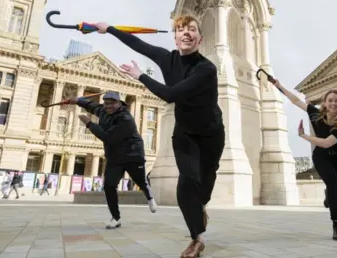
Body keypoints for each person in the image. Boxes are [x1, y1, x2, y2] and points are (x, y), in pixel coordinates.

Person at [92, 14, 225, 257]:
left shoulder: (206, 68)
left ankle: (201, 205)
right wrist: (108, 28)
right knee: (186, 183)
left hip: (211, 135)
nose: (186, 33)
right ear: (175, 38)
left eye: (191, 29)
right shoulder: (167, 58)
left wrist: (139, 75)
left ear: (199, 38)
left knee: (203, 185)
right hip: (185, 133)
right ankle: (197, 238)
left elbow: (171, 94)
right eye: (181, 29)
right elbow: (138, 44)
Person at [270, 78, 337, 241]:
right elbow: (295, 101)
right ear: (325, 103)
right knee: (334, 186)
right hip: (321, 157)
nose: (333, 103)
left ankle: (329, 196)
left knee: (336, 190)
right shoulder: (315, 114)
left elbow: (328, 142)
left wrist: (304, 136)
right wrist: (279, 86)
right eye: (330, 100)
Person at [68, 92, 157, 229]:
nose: (107, 107)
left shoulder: (126, 119)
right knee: (109, 185)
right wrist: (77, 100)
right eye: (106, 103)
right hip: (115, 156)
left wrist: (89, 123)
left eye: (111, 104)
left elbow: (107, 137)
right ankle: (116, 218)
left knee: (140, 181)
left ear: (118, 103)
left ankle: (150, 197)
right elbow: (91, 105)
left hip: (132, 154)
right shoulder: (103, 110)